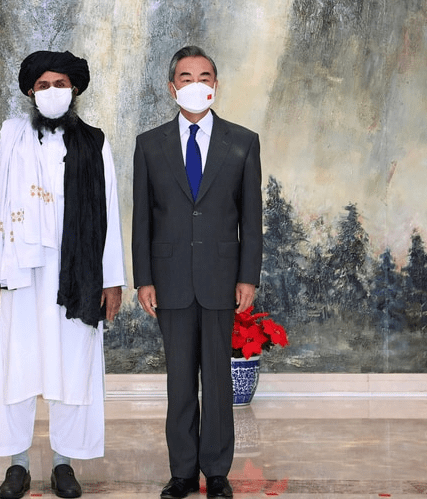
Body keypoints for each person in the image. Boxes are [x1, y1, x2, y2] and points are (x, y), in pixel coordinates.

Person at [0, 50, 126, 499]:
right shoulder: (12, 137)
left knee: (72, 365)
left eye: (60, 84)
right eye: (43, 85)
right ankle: (16, 464)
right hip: (21, 271)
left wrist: (112, 279)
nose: (52, 91)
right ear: (31, 93)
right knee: (17, 364)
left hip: (77, 275)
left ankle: (63, 464)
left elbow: (109, 212)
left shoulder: (94, 143)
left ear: (74, 90)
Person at [131, 46, 263, 499]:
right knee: (180, 380)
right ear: (172, 88)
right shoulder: (149, 144)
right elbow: (142, 219)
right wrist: (144, 278)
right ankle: (183, 472)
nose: (196, 84)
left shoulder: (242, 141)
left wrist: (248, 276)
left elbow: (251, 217)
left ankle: (217, 471)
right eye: (186, 78)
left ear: (216, 85)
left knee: (218, 380)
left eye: (204, 77)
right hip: (169, 280)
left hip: (222, 278)